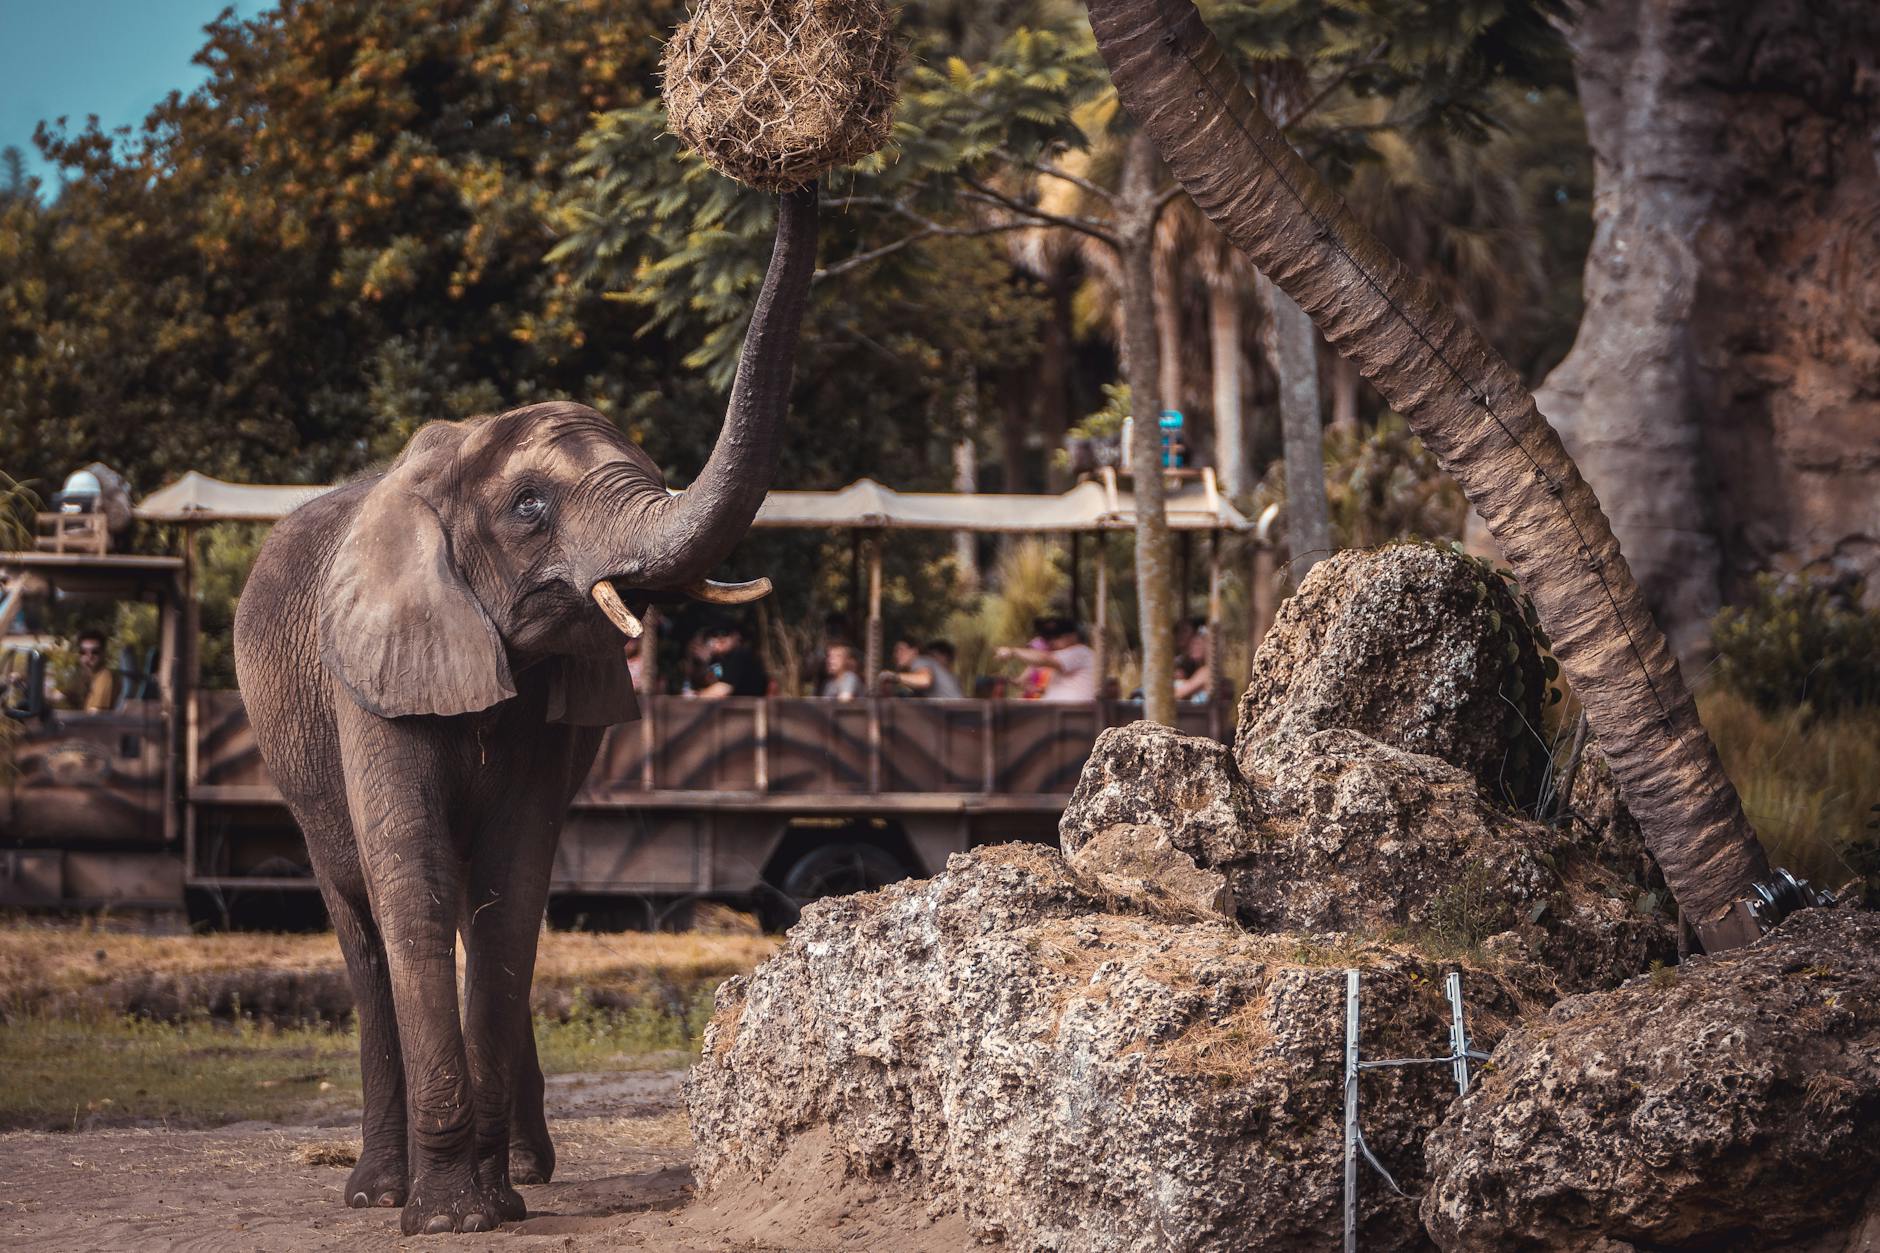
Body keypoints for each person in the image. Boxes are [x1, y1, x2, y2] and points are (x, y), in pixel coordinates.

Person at [996, 617, 1097, 702]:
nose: (1050, 642)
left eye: (1056, 637)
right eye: (1047, 638)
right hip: (1057, 711)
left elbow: (1045, 659)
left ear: (1072, 636)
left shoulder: (1080, 652)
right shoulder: (1065, 659)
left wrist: (1013, 651)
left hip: (1068, 713)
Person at [692, 620, 768, 699]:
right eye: (714, 634)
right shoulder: (721, 659)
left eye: (725, 633)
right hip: (738, 704)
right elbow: (710, 682)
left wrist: (695, 698)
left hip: (747, 704)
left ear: (737, 636)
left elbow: (723, 689)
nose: (720, 638)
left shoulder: (740, 655)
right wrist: (704, 662)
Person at [882, 638, 964, 698]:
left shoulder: (920, 661)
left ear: (914, 651)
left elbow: (924, 680)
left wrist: (893, 677)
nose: (897, 654)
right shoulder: (919, 666)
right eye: (895, 651)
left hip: (953, 713)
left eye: (901, 649)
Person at [75, 630, 120, 712]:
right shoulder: (87, 679)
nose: (89, 657)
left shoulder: (104, 677)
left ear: (103, 654)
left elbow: (95, 715)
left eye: (95, 652)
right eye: (83, 652)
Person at [1174, 621, 1212, 703]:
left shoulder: (1205, 672)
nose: (1193, 647)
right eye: (1192, 644)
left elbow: (1178, 693)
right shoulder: (1196, 670)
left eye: (1198, 644)